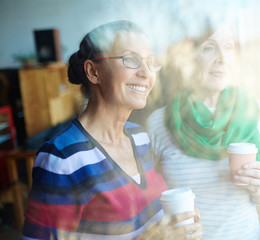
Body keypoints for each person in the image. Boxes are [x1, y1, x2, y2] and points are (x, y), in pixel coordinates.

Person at [22, 20, 202, 240]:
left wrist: (179, 228)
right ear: (93, 72)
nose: (146, 72)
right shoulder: (62, 158)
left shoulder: (140, 137)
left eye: (150, 62)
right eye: (131, 59)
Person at [147, 22, 260, 240]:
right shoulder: (158, 123)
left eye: (229, 47)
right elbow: (148, 201)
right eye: (209, 48)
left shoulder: (257, 113)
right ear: (189, 58)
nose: (222, 58)